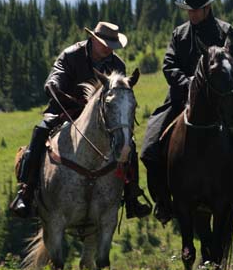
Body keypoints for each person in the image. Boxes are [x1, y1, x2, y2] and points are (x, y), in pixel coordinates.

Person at [141, 0, 233, 224]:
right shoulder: (179, 34)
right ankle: (163, 200)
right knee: (150, 144)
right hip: (182, 97)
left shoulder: (226, 31)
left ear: (207, 8)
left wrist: (217, 82)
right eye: (189, 10)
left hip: (224, 94)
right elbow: (169, 65)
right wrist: (190, 84)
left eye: (196, 10)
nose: (191, 15)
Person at [10, 21, 151, 220]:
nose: (109, 48)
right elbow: (56, 76)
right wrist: (54, 85)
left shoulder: (117, 64)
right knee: (40, 131)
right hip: (66, 110)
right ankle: (26, 190)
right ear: (93, 39)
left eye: (112, 45)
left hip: (100, 118)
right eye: (105, 43)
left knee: (129, 145)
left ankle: (131, 197)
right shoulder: (71, 55)